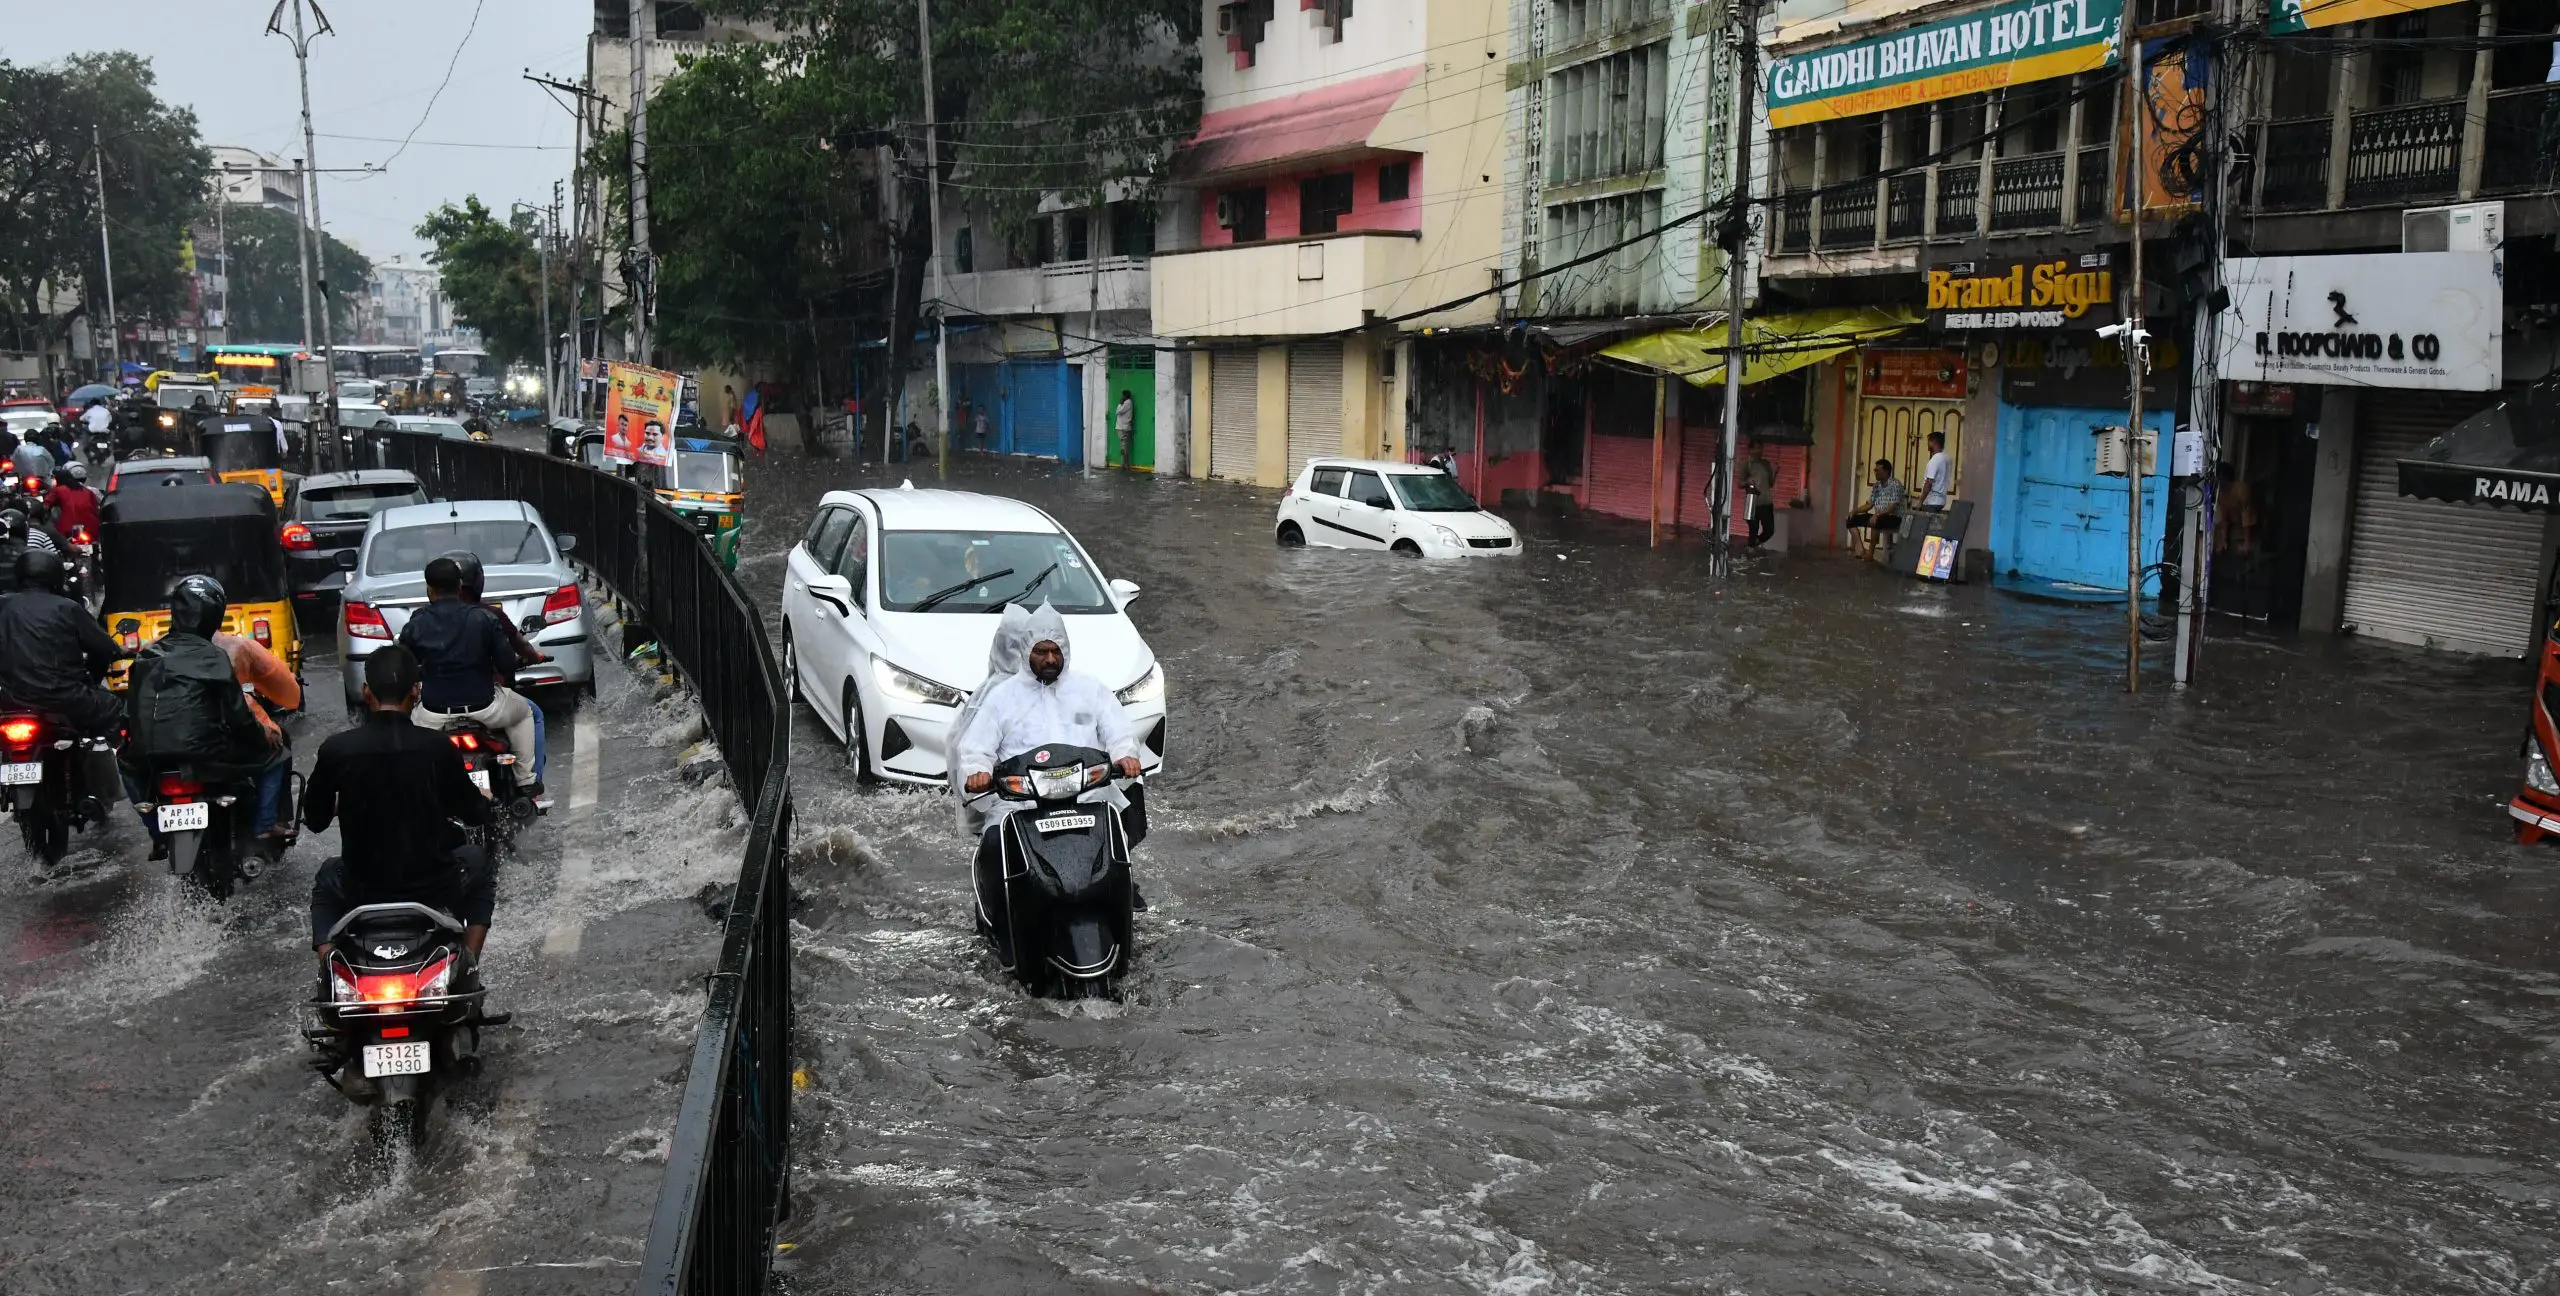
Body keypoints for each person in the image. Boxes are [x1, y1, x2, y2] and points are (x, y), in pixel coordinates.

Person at [305, 646, 496, 963]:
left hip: (361, 888)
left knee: (326, 876)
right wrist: (484, 799)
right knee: (478, 861)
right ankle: (469, 965)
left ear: (367, 692)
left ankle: (330, 969)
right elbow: (474, 813)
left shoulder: (337, 750)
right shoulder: (438, 747)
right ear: (416, 691)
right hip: (435, 886)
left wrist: (339, 801)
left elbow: (315, 819)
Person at [955, 603, 1147, 904]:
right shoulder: (1002, 698)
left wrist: (1125, 755)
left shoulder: (1091, 690)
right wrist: (977, 772)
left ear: (1066, 651)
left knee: (1117, 841)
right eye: (1041, 651)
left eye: (1056, 651)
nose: (1049, 659)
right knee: (995, 845)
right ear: (1026, 651)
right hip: (1021, 804)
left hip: (1087, 797)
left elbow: (1119, 732)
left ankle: (1121, 902)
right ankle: (996, 914)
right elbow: (975, 748)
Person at [121, 574, 287, 856]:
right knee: (278, 754)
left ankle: (157, 833)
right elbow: (239, 718)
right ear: (214, 617)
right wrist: (265, 737)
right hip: (208, 757)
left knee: (123, 764)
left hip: (150, 757)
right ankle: (264, 824)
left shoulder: (146, 657)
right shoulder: (214, 657)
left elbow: (131, 714)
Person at [397, 555, 543, 803]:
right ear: (459, 586)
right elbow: (506, 663)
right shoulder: (484, 618)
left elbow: (405, 666)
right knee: (526, 713)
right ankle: (525, 779)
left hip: (433, 714)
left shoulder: (417, 623)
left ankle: (415, 788)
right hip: (485, 708)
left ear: (429, 589)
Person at [0, 550, 128, 803]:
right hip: (67, 699)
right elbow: (106, 649)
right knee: (117, 709)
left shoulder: (3, 605)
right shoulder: (68, 608)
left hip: (11, 700)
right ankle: (104, 788)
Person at [442, 549, 553, 807]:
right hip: (486, 702)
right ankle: (529, 783)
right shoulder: (490, 616)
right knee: (532, 714)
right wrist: (530, 657)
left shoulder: (425, 618)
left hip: (437, 707)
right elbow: (510, 656)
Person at [1846, 458, 1908, 561]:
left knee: (1876, 521)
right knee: (1850, 520)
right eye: (1875, 470)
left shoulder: (1895, 485)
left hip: (1893, 517)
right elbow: (1869, 504)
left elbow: (1891, 508)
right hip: (1878, 515)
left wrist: (1878, 515)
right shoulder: (1877, 486)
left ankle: (1870, 554)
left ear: (1886, 471)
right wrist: (1854, 511)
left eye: (1878, 470)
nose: (1875, 473)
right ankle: (1860, 550)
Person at [44, 465, 98, 542]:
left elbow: (45, 506)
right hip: (90, 528)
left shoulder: (58, 490)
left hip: (67, 529)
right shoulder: (87, 491)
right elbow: (95, 509)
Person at [1741, 444, 1778, 551]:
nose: (1758, 450)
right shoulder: (1746, 465)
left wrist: (1775, 472)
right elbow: (1740, 483)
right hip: (1753, 502)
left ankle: (1752, 544)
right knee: (1753, 529)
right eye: (1755, 447)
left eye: (1760, 447)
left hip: (1766, 502)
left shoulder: (1766, 464)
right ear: (1750, 449)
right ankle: (1750, 551)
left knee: (1769, 530)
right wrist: (1747, 481)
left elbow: (1770, 484)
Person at [1917, 431, 1953, 513]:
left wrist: (1920, 502)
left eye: (1929, 442)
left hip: (1931, 501)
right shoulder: (1947, 458)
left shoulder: (1935, 459)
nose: (1928, 444)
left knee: (1925, 525)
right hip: (1941, 501)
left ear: (1934, 442)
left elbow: (1928, 483)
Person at [1113, 389, 1137, 469]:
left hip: (1123, 427)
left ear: (1126, 396)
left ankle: (1125, 464)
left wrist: (1120, 403)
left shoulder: (1127, 403)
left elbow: (1118, 411)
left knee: (1124, 447)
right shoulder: (1127, 403)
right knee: (1124, 446)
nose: (1122, 397)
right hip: (1123, 427)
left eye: (1123, 395)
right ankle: (1124, 463)